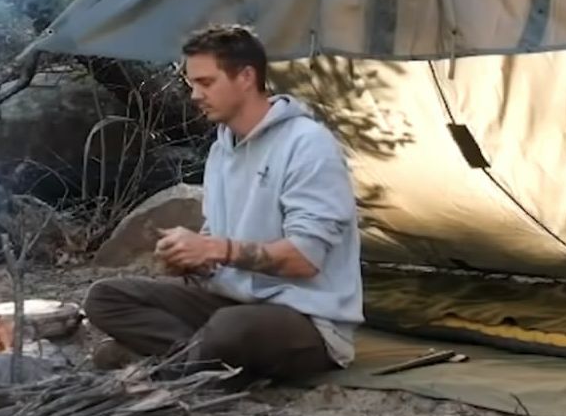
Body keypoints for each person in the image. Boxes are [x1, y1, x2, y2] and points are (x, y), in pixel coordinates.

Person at [83, 24, 363, 382]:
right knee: (105, 297)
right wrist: (191, 261)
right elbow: (218, 243)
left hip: (305, 318)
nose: (195, 95)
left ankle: (171, 361)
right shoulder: (221, 150)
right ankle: (195, 360)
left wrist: (214, 249)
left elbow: (306, 260)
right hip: (230, 302)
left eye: (206, 82)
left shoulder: (307, 144)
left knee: (230, 330)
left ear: (246, 77)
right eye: (191, 84)